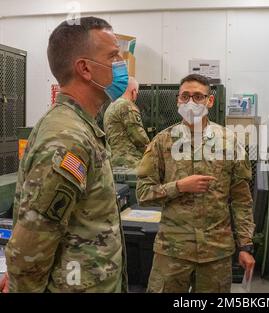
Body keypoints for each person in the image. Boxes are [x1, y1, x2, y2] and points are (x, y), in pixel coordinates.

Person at [3, 16, 128, 293]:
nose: (121, 64)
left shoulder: (81, 126)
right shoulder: (67, 137)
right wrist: (19, 281)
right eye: (113, 56)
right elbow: (31, 245)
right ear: (85, 68)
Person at [136, 74, 255, 293]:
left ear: (210, 101)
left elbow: (241, 200)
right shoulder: (162, 142)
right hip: (173, 250)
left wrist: (246, 245)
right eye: (185, 96)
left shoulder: (230, 142)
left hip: (215, 252)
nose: (191, 102)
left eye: (198, 96)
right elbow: (143, 193)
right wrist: (179, 186)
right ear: (177, 101)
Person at [103, 76, 150, 168]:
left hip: (114, 161)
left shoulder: (111, 106)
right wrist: (152, 151)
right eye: (137, 92)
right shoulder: (127, 105)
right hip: (131, 162)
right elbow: (138, 137)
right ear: (133, 92)